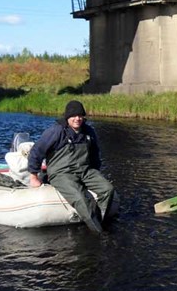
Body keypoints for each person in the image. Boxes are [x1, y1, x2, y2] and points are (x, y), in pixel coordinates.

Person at [28, 100, 114, 233]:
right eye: (74, 116)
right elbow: (37, 151)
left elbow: (95, 154)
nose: (77, 119)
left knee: (108, 189)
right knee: (81, 199)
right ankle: (98, 232)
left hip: (85, 171)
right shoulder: (56, 131)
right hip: (61, 173)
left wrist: (95, 174)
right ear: (67, 117)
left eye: (80, 116)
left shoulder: (88, 131)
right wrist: (33, 175)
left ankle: (100, 220)